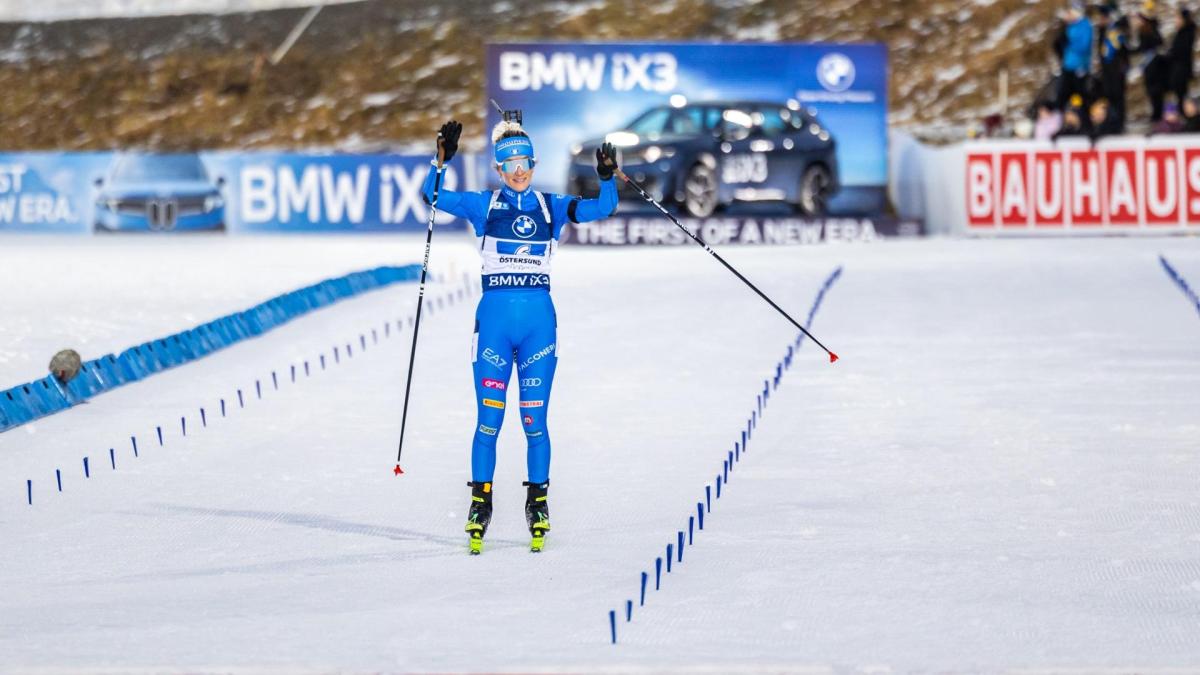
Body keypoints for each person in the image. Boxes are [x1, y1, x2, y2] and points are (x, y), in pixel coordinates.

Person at [420, 118, 619, 554]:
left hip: (538, 331)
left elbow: (602, 209)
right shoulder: (484, 206)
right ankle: (480, 503)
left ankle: (538, 503)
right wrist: (442, 161)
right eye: (509, 163)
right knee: (488, 422)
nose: (518, 170)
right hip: (493, 328)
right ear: (498, 167)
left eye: (524, 161)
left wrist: (606, 179)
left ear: (533, 162)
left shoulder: (550, 207)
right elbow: (431, 197)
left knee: (534, 422)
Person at [1132, 3, 1167, 120]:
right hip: (1149, 66)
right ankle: (1156, 115)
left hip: (1155, 66)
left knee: (1156, 92)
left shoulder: (1151, 30)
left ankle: (1158, 115)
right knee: (1152, 92)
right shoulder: (1143, 31)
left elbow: (1158, 45)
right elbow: (1141, 48)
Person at [1058, 3, 1095, 110]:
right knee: (1065, 94)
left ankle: (1083, 117)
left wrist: (1069, 43)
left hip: (1079, 67)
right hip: (1068, 65)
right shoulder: (1071, 26)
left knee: (1079, 94)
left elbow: (1084, 46)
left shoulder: (1085, 25)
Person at [1166, 7, 1197, 107]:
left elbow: (1180, 51)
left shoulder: (1187, 33)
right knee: (1181, 95)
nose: (1176, 20)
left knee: (1182, 96)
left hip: (1181, 69)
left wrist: (1169, 53)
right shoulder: (1182, 32)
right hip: (1178, 68)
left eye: (1178, 18)